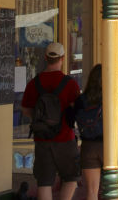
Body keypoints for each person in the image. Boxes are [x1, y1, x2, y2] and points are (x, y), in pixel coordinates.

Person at [20, 42, 81, 200]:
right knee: (71, 178)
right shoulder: (70, 84)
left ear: (46, 58)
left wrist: (41, 119)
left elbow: (26, 109)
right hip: (65, 139)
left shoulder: (34, 84)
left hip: (42, 139)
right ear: (62, 58)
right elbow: (78, 110)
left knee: (44, 182)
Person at [72, 64, 118, 200]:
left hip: (88, 146)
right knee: (113, 190)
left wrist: (75, 143)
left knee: (91, 193)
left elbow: (71, 122)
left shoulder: (81, 100)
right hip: (110, 146)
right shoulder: (111, 99)